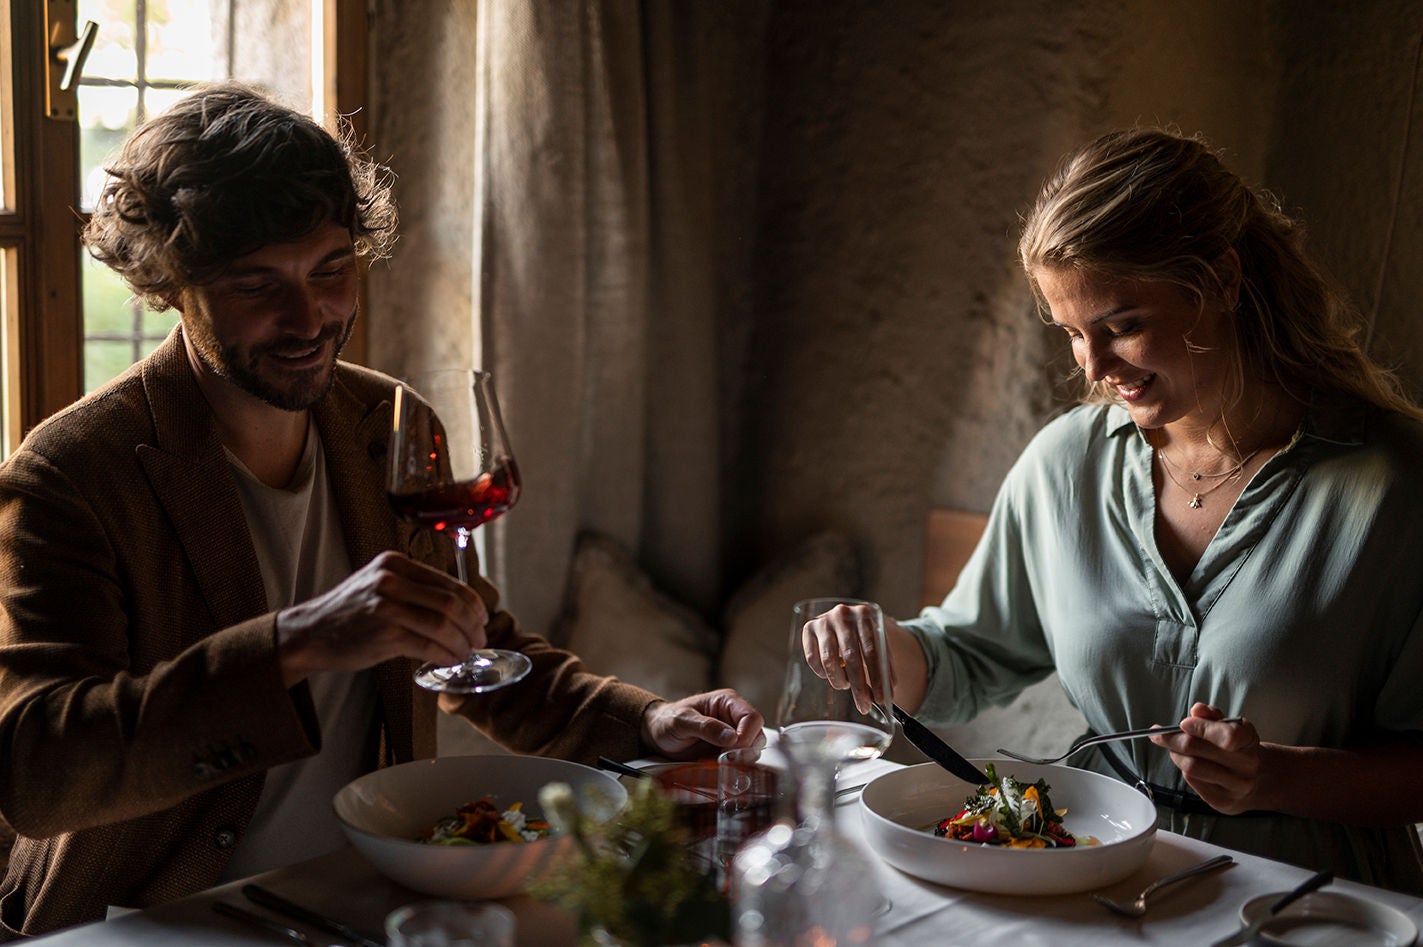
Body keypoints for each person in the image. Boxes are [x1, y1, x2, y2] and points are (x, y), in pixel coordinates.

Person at [0, 82, 762, 939]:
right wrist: (296, 641)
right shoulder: (70, 470)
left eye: (332, 269)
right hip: (151, 915)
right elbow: (34, 770)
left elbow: (470, 641)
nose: (311, 316)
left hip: (353, 896)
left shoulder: (386, 426)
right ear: (172, 283)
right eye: (257, 284)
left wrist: (644, 720)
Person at [808, 127, 1423, 892]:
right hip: (1100, 888)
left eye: (1121, 325)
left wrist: (1274, 776)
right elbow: (968, 656)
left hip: (1313, 906)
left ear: (1223, 280)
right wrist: (875, 644)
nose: (1094, 368)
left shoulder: (1396, 487)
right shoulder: (1065, 463)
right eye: (1071, 333)